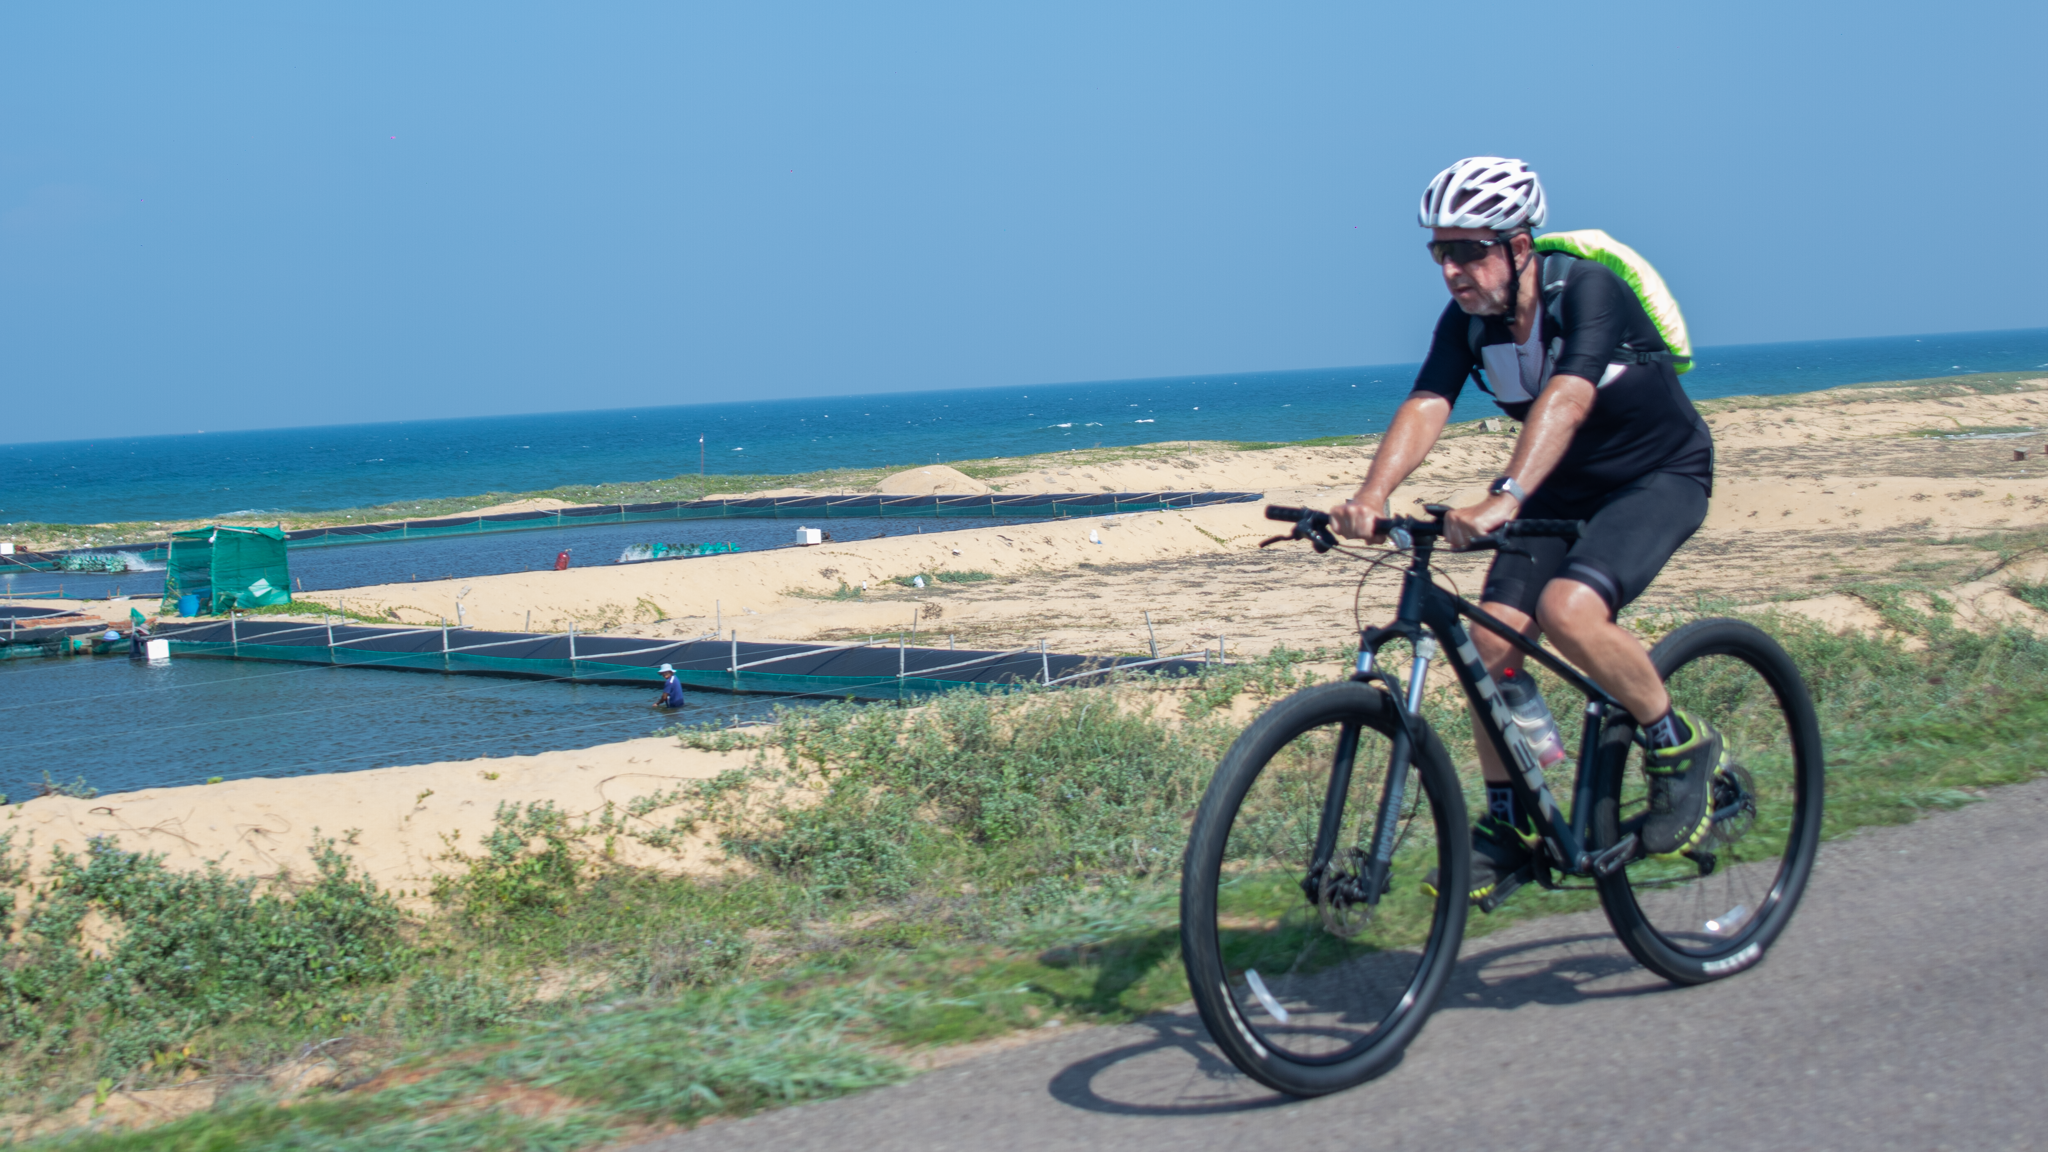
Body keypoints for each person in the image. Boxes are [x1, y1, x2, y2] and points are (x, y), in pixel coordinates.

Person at [1329, 156, 1722, 911]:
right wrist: (1372, 495)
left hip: (1656, 476)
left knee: (1569, 610)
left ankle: (1677, 743)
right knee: (1489, 644)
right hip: (1560, 491)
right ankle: (1514, 826)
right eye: (1441, 252)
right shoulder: (1468, 323)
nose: (1453, 269)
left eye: (1469, 250)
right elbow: (1428, 401)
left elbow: (1569, 397)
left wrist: (1503, 496)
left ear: (1518, 245)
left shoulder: (1585, 289)